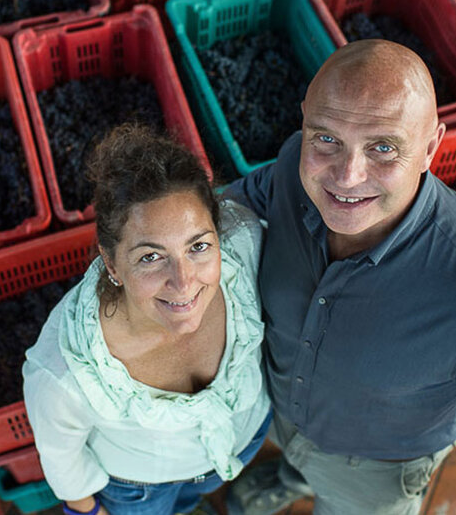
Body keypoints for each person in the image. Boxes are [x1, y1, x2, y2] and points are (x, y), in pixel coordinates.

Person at [224, 39, 456, 515]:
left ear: (430, 147)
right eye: (327, 138)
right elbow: (251, 193)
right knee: (298, 458)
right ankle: (293, 475)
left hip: (375, 470)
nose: (347, 176)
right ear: (306, 121)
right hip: (282, 408)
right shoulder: (295, 165)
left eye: (383, 148)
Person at [22, 124, 272, 515]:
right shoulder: (66, 372)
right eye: (150, 257)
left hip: (240, 441)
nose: (184, 282)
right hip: (141, 491)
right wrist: (87, 510)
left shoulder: (247, 247)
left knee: (198, 498)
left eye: (199, 246)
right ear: (111, 263)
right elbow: (63, 457)